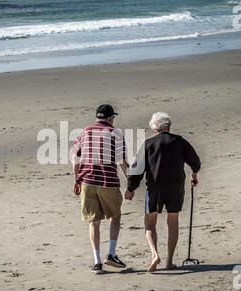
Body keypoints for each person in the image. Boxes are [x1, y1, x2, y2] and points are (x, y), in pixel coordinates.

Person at [125, 112, 201, 272]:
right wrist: (193, 177)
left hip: (154, 188)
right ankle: (169, 261)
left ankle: (154, 254)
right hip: (175, 187)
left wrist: (131, 188)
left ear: (154, 130)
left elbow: (137, 169)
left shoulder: (148, 144)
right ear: (169, 127)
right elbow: (195, 161)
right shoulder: (179, 141)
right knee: (173, 222)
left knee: (149, 223)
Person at [72, 104, 129, 274]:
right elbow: (122, 161)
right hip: (108, 182)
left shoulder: (85, 131)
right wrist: (131, 184)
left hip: (87, 182)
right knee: (114, 216)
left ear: (97, 117)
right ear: (111, 118)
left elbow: (75, 159)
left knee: (94, 222)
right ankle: (111, 253)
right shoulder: (115, 133)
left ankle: (97, 262)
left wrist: (77, 180)